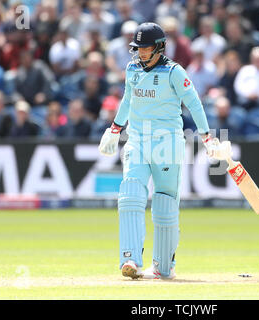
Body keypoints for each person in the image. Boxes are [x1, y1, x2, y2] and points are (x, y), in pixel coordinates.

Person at [97, 22, 228, 280]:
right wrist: (114, 128)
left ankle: (163, 266)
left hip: (167, 144)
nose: (140, 53)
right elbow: (128, 99)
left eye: (145, 48)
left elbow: (195, 104)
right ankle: (131, 259)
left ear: (159, 47)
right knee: (131, 193)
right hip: (137, 140)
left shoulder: (174, 72)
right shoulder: (132, 68)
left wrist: (207, 137)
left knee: (165, 204)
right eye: (137, 48)